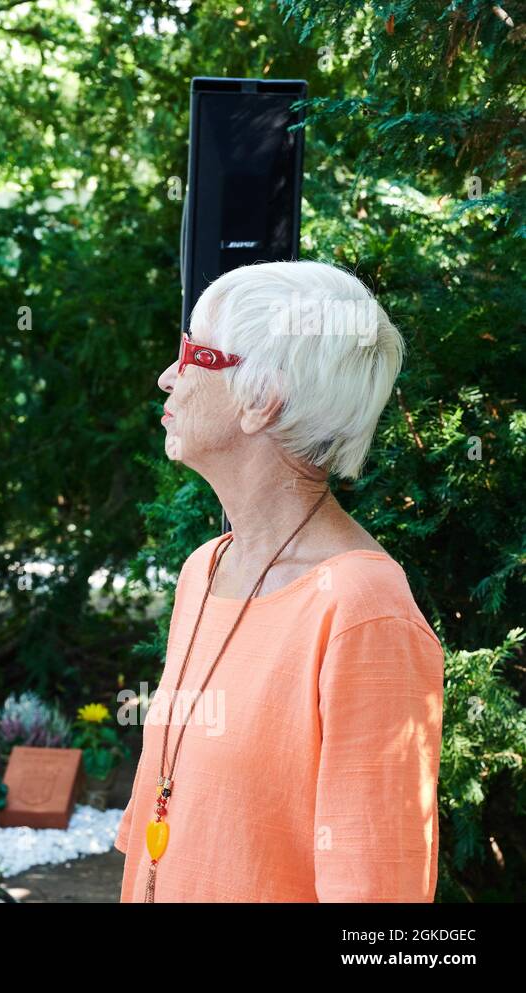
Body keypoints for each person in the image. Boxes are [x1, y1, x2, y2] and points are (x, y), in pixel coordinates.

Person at [114, 260, 444, 902]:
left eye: (193, 353)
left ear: (261, 399)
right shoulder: (204, 570)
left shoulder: (362, 608)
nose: (167, 376)